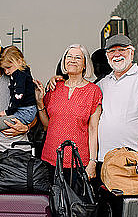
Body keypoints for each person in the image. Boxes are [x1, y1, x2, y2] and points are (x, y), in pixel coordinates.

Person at [34, 44, 102, 179]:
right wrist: (39, 102)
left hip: (78, 162)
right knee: (50, 200)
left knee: (76, 200)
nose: (72, 60)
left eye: (78, 57)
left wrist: (93, 162)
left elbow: (93, 129)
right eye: (69, 56)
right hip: (50, 159)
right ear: (64, 62)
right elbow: (47, 124)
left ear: (84, 65)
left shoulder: (93, 91)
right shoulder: (54, 87)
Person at [97, 34, 138, 163]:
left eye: (121, 50)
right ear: (107, 56)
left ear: (131, 52)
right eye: (112, 51)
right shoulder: (102, 83)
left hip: (134, 156)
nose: (116, 54)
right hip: (105, 158)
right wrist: (58, 80)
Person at [0, 45, 37, 151]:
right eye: (4, 69)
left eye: (8, 68)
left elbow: (18, 96)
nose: (6, 72)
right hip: (27, 111)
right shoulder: (23, 72)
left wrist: (8, 112)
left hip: (24, 112)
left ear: (19, 61)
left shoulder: (19, 75)